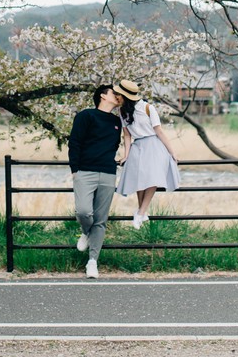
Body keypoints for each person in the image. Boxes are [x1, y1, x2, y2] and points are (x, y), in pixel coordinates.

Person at [68, 84, 123, 278]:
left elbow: (115, 145)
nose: (117, 96)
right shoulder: (86, 116)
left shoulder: (118, 121)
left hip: (108, 172)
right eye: (113, 93)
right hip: (85, 171)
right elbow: (74, 142)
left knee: (101, 220)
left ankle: (93, 262)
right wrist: (75, 170)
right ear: (102, 96)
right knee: (84, 211)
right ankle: (86, 231)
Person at [114, 78, 180, 227]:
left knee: (152, 179)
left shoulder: (148, 108)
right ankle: (141, 213)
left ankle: (141, 213)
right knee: (139, 178)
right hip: (137, 146)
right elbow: (127, 135)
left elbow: (159, 131)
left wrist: (172, 152)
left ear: (125, 96)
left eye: (118, 94)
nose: (116, 97)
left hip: (154, 145)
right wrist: (126, 154)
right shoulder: (122, 111)